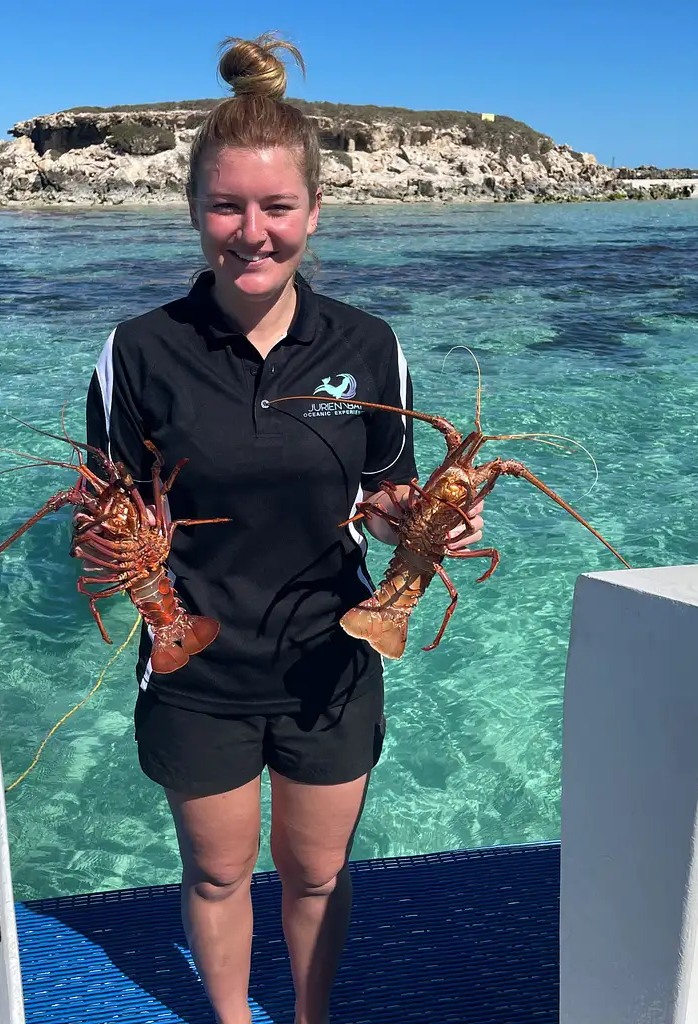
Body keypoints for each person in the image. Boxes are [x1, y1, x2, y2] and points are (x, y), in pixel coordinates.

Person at [83, 34, 484, 1024]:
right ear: (193, 212)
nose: (250, 231)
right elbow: (102, 517)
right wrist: (105, 554)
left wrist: (428, 523)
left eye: (275, 207)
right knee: (217, 879)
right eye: (226, 205)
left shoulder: (369, 343)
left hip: (330, 658)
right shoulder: (137, 351)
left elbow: (384, 492)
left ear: (313, 211)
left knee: (313, 875)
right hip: (194, 670)